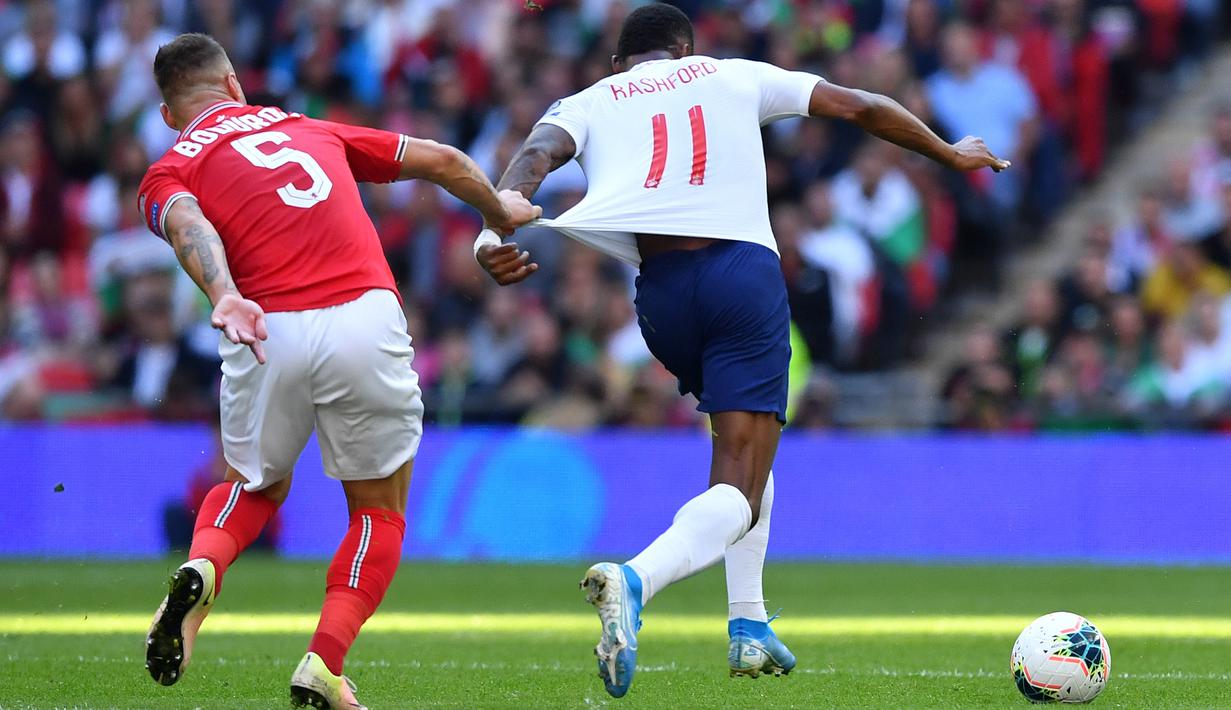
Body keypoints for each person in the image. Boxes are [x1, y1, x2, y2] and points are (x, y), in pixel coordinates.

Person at [476, 3, 1007, 698]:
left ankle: (748, 625)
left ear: (619, 64)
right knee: (740, 479)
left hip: (660, 296)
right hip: (739, 277)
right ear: (685, 49)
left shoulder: (587, 99)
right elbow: (861, 106)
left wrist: (492, 235)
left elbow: (532, 157)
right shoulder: (730, 74)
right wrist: (946, 151)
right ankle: (636, 578)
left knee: (748, 441)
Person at [137, 34, 538, 709]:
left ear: (169, 114)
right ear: (234, 84)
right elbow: (439, 159)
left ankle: (203, 563)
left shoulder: (169, 167)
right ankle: (323, 662)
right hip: (363, 315)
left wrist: (225, 293)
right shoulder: (304, 126)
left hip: (267, 324)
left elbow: (187, 227)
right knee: (379, 512)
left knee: (252, 487)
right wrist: (501, 210)